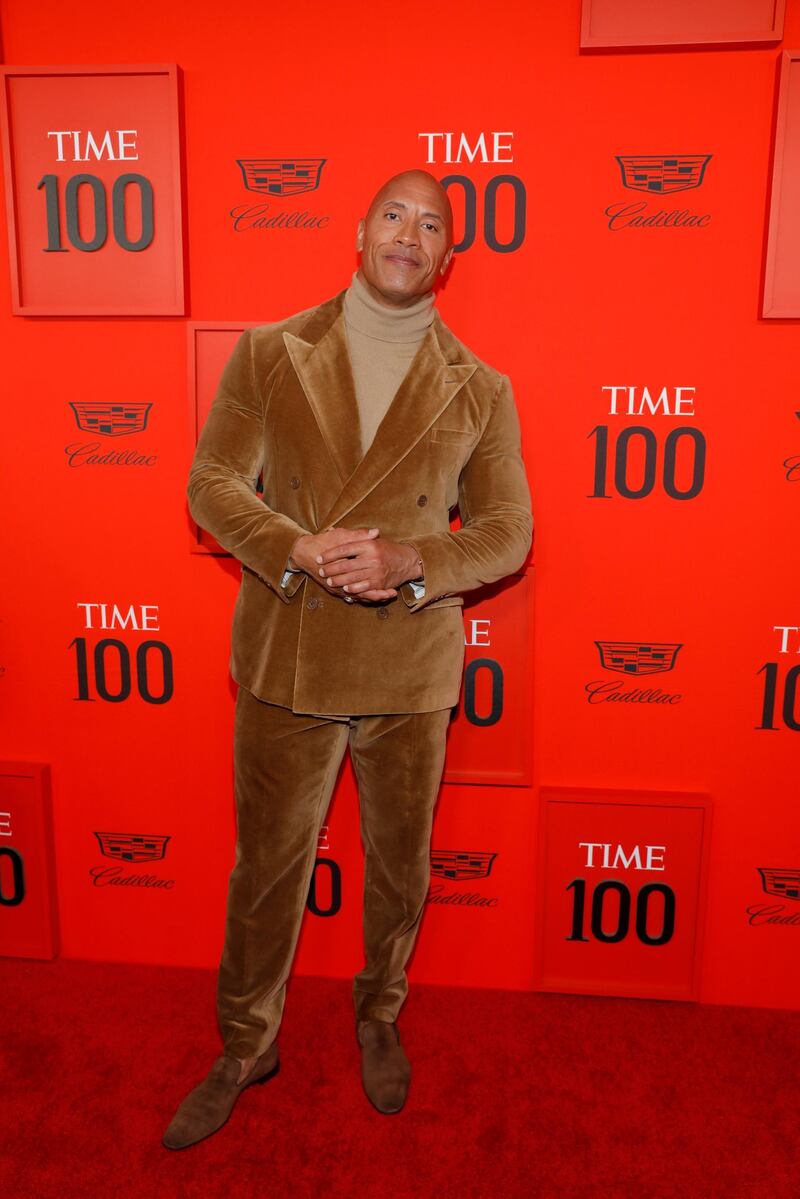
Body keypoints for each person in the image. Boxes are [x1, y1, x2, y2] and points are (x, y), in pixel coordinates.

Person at [162, 169, 533, 1149]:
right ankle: (246, 1042)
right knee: (266, 870)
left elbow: (505, 532)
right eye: (394, 216)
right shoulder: (271, 350)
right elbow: (208, 482)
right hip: (288, 653)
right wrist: (290, 543)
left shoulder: (480, 387)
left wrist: (411, 557)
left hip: (408, 671)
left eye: (432, 224)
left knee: (399, 868)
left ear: (449, 255)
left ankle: (378, 1011)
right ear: (357, 231)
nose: (410, 234)